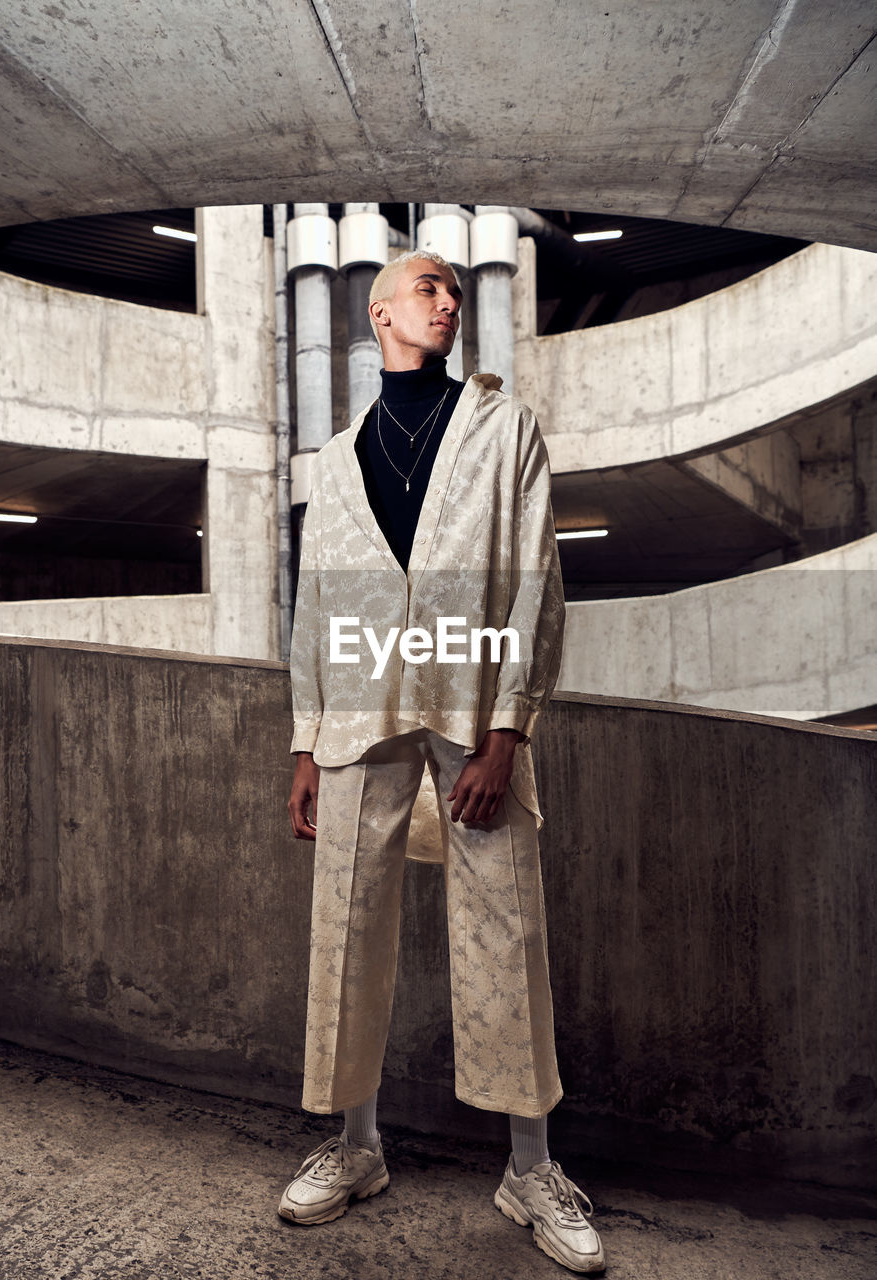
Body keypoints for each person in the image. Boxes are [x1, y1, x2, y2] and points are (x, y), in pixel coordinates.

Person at [278, 249, 605, 1274]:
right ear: (379, 312)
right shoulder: (331, 463)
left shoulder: (504, 431)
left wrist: (507, 731)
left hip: (472, 700)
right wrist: (302, 735)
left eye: (455, 290)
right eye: (427, 287)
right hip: (359, 706)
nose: (448, 301)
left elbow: (534, 581)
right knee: (346, 919)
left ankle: (529, 1165)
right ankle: (353, 1144)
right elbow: (314, 607)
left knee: (506, 922)